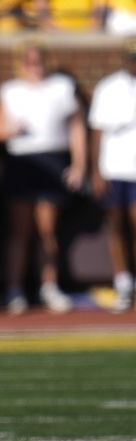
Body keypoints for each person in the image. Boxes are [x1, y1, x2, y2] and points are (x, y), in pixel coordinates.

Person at [0, 42, 86, 314]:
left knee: (47, 230)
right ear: (21, 64)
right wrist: (10, 131)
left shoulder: (62, 87)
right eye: (29, 61)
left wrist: (79, 165)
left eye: (38, 60)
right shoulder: (10, 91)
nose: (34, 66)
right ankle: (15, 289)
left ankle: (49, 286)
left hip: (52, 159)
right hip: (21, 161)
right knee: (20, 231)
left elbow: (77, 127)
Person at [88, 39, 136, 312]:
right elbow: (98, 131)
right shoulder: (108, 87)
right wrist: (96, 171)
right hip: (114, 166)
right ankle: (123, 282)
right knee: (116, 225)